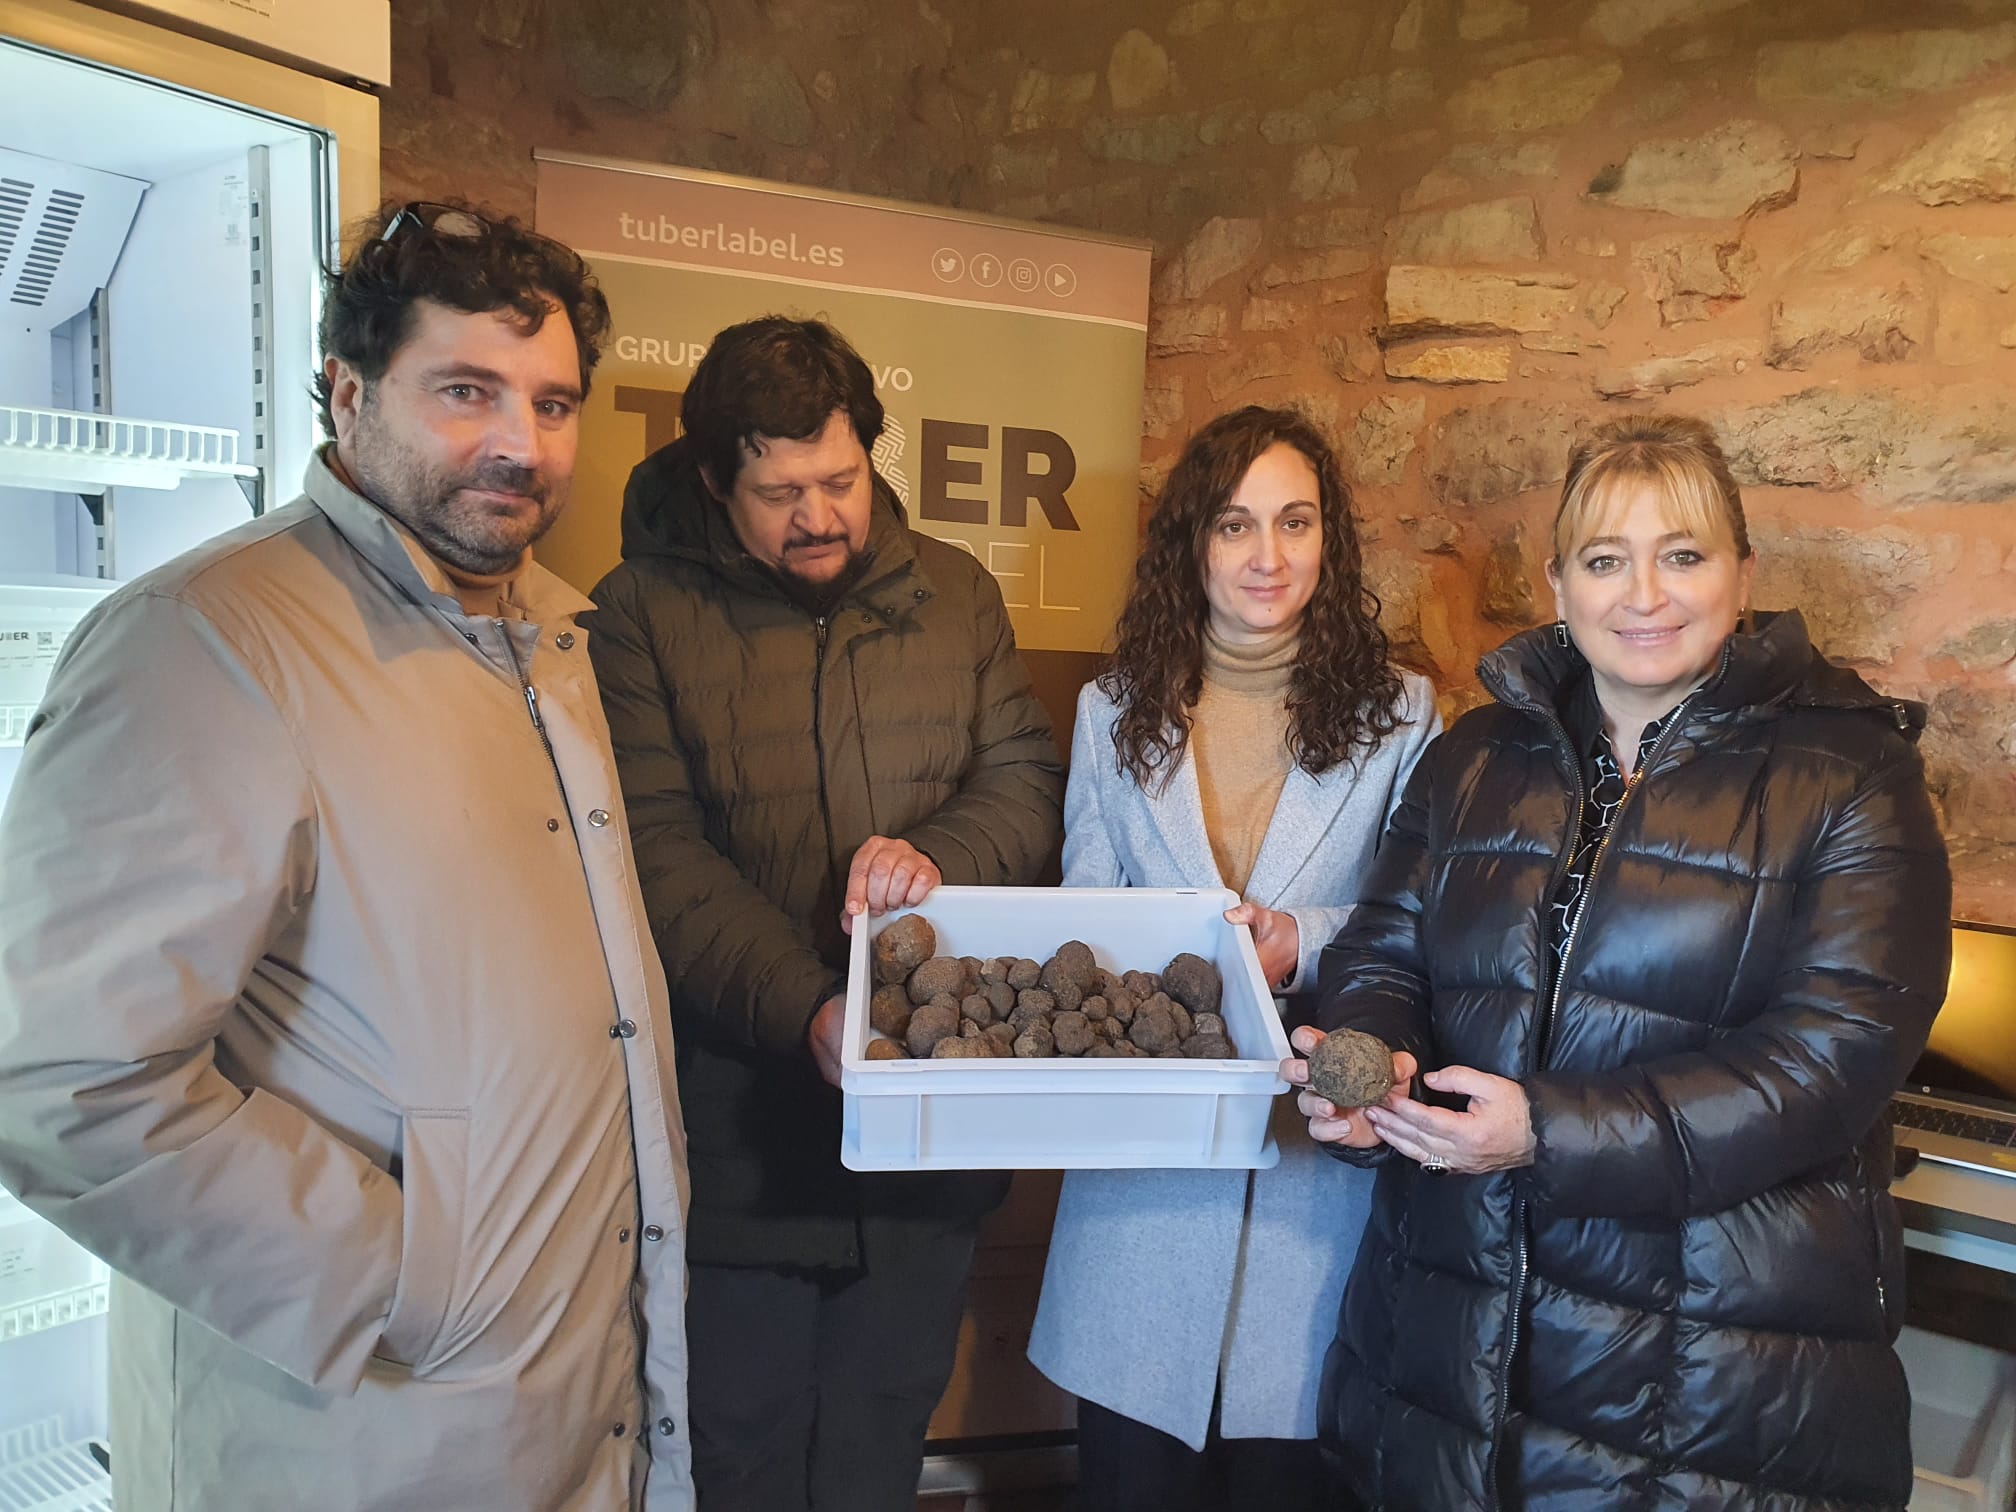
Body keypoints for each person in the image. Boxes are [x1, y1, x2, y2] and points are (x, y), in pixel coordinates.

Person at [0, 202, 693, 1512]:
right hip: (360, 1438)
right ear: (346, 390)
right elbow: (65, 1078)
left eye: (553, 404)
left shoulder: (550, 634)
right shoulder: (201, 643)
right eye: (466, 391)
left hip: (563, 1404)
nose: (519, 443)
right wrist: (405, 1281)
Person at [1286, 413, 1951, 1511]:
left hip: (1710, 1388)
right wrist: (1374, 1064)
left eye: (1682, 555)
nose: (1644, 594)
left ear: (1744, 572)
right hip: (1444, 1346)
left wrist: (1544, 1135)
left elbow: (1825, 1067)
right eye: (1606, 560)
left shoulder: (1855, 778)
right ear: (1557, 585)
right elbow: (1385, 951)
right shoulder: (1469, 758)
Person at [586, 314, 1063, 1512]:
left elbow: (1023, 783)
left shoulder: (955, 592)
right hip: (739, 1144)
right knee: (734, 1451)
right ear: (714, 480)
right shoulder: (635, 612)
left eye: (841, 480)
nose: (819, 516)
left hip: (926, 1131)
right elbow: (653, 850)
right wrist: (812, 1009)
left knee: (879, 1442)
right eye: (781, 490)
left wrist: (933, 860)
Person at [1026, 406, 1440, 1512]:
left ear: (1328, 540)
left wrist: (1300, 936)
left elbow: (1428, 920)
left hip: (1314, 1195)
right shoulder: (1110, 711)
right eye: (1236, 525)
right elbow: (1084, 912)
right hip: (1143, 1188)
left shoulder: (1405, 716)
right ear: (1191, 546)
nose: (1268, 557)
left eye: (1295, 523)